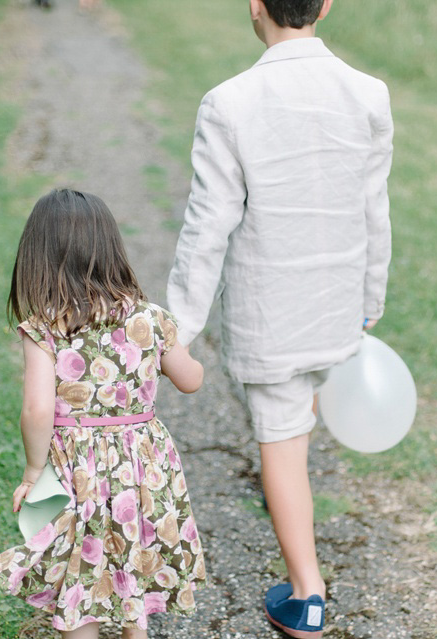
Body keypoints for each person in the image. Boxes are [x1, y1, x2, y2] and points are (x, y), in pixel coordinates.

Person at [166, 0, 393, 636]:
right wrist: (370, 298)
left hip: (274, 313)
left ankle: (306, 595)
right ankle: (305, 568)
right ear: (326, 6)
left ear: (254, 7)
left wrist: (176, 330)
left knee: (283, 442)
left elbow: (208, 225)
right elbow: (374, 208)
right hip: (338, 297)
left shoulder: (230, 103)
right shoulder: (368, 93)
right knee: (297, 426)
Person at [0, 189, 207, 639]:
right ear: (112, 249)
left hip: (76, 470)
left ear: (38, 258)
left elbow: (36, 408)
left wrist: (33, 471)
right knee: (131, 549)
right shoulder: (151, 318)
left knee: (80, 566)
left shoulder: (46, 327)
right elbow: (191, 380)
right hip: (142, 466)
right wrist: (183, 351)